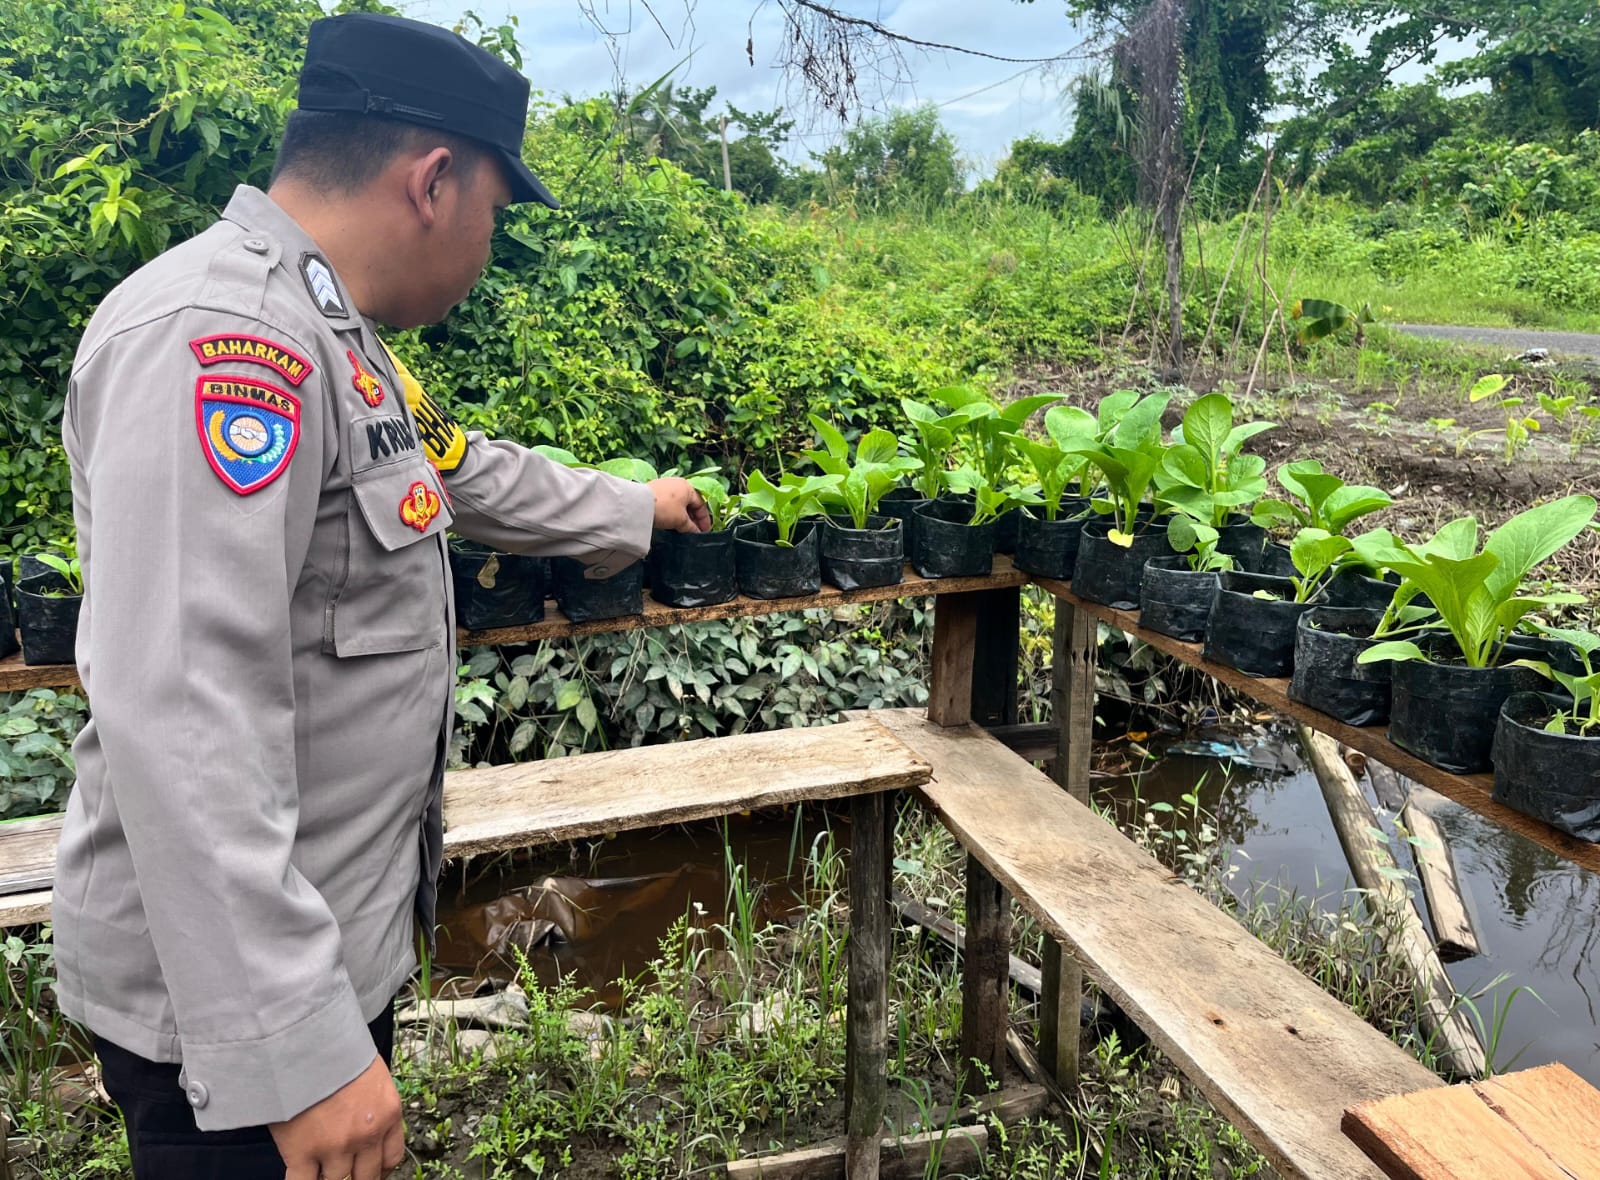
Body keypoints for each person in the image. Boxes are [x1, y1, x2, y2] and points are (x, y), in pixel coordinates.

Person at [52, 12, 708, 1180]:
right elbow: (183, 713)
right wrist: (297, 1052)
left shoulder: (334, 339)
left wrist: (628, 507)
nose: (487, 245)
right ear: (435, 179)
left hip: (316, 956)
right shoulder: (225, 338)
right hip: (233, 1025)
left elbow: (456, 468)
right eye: (497, 217)